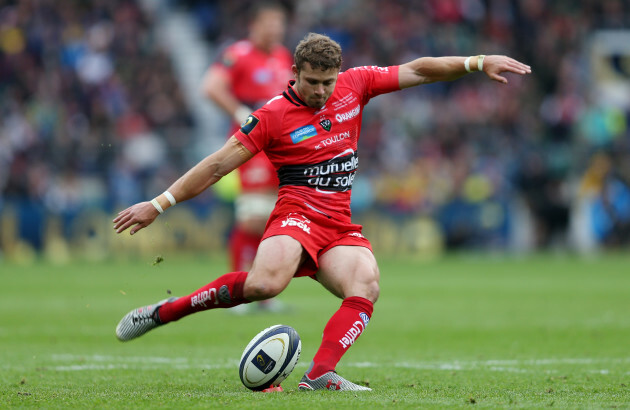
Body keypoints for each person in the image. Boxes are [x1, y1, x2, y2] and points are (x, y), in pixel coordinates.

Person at [113, 33, 531, 391]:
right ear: (295, 71)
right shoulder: (271, 116)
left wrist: (476, 62)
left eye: (327, 82)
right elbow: (218, 164)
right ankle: (164, 312)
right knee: (265, 286)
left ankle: (321, 374)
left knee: (366, 284)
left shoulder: (356, 85)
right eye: (312, 82)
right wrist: (158, 203)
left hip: (337, 225)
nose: (320, 91)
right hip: (295, 215)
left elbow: (420, 70)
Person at [201, 1, 293, 313]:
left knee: (272, 217)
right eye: (269, 22)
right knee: (252, 218)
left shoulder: (282, 56)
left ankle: (263, 293)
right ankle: (235, 292)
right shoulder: (237, 54)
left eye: (279, 23)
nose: (275, 29)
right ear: (254, 24)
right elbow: (211, 87)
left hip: (280, 143)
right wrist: (241, 112)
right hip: (252, 142)